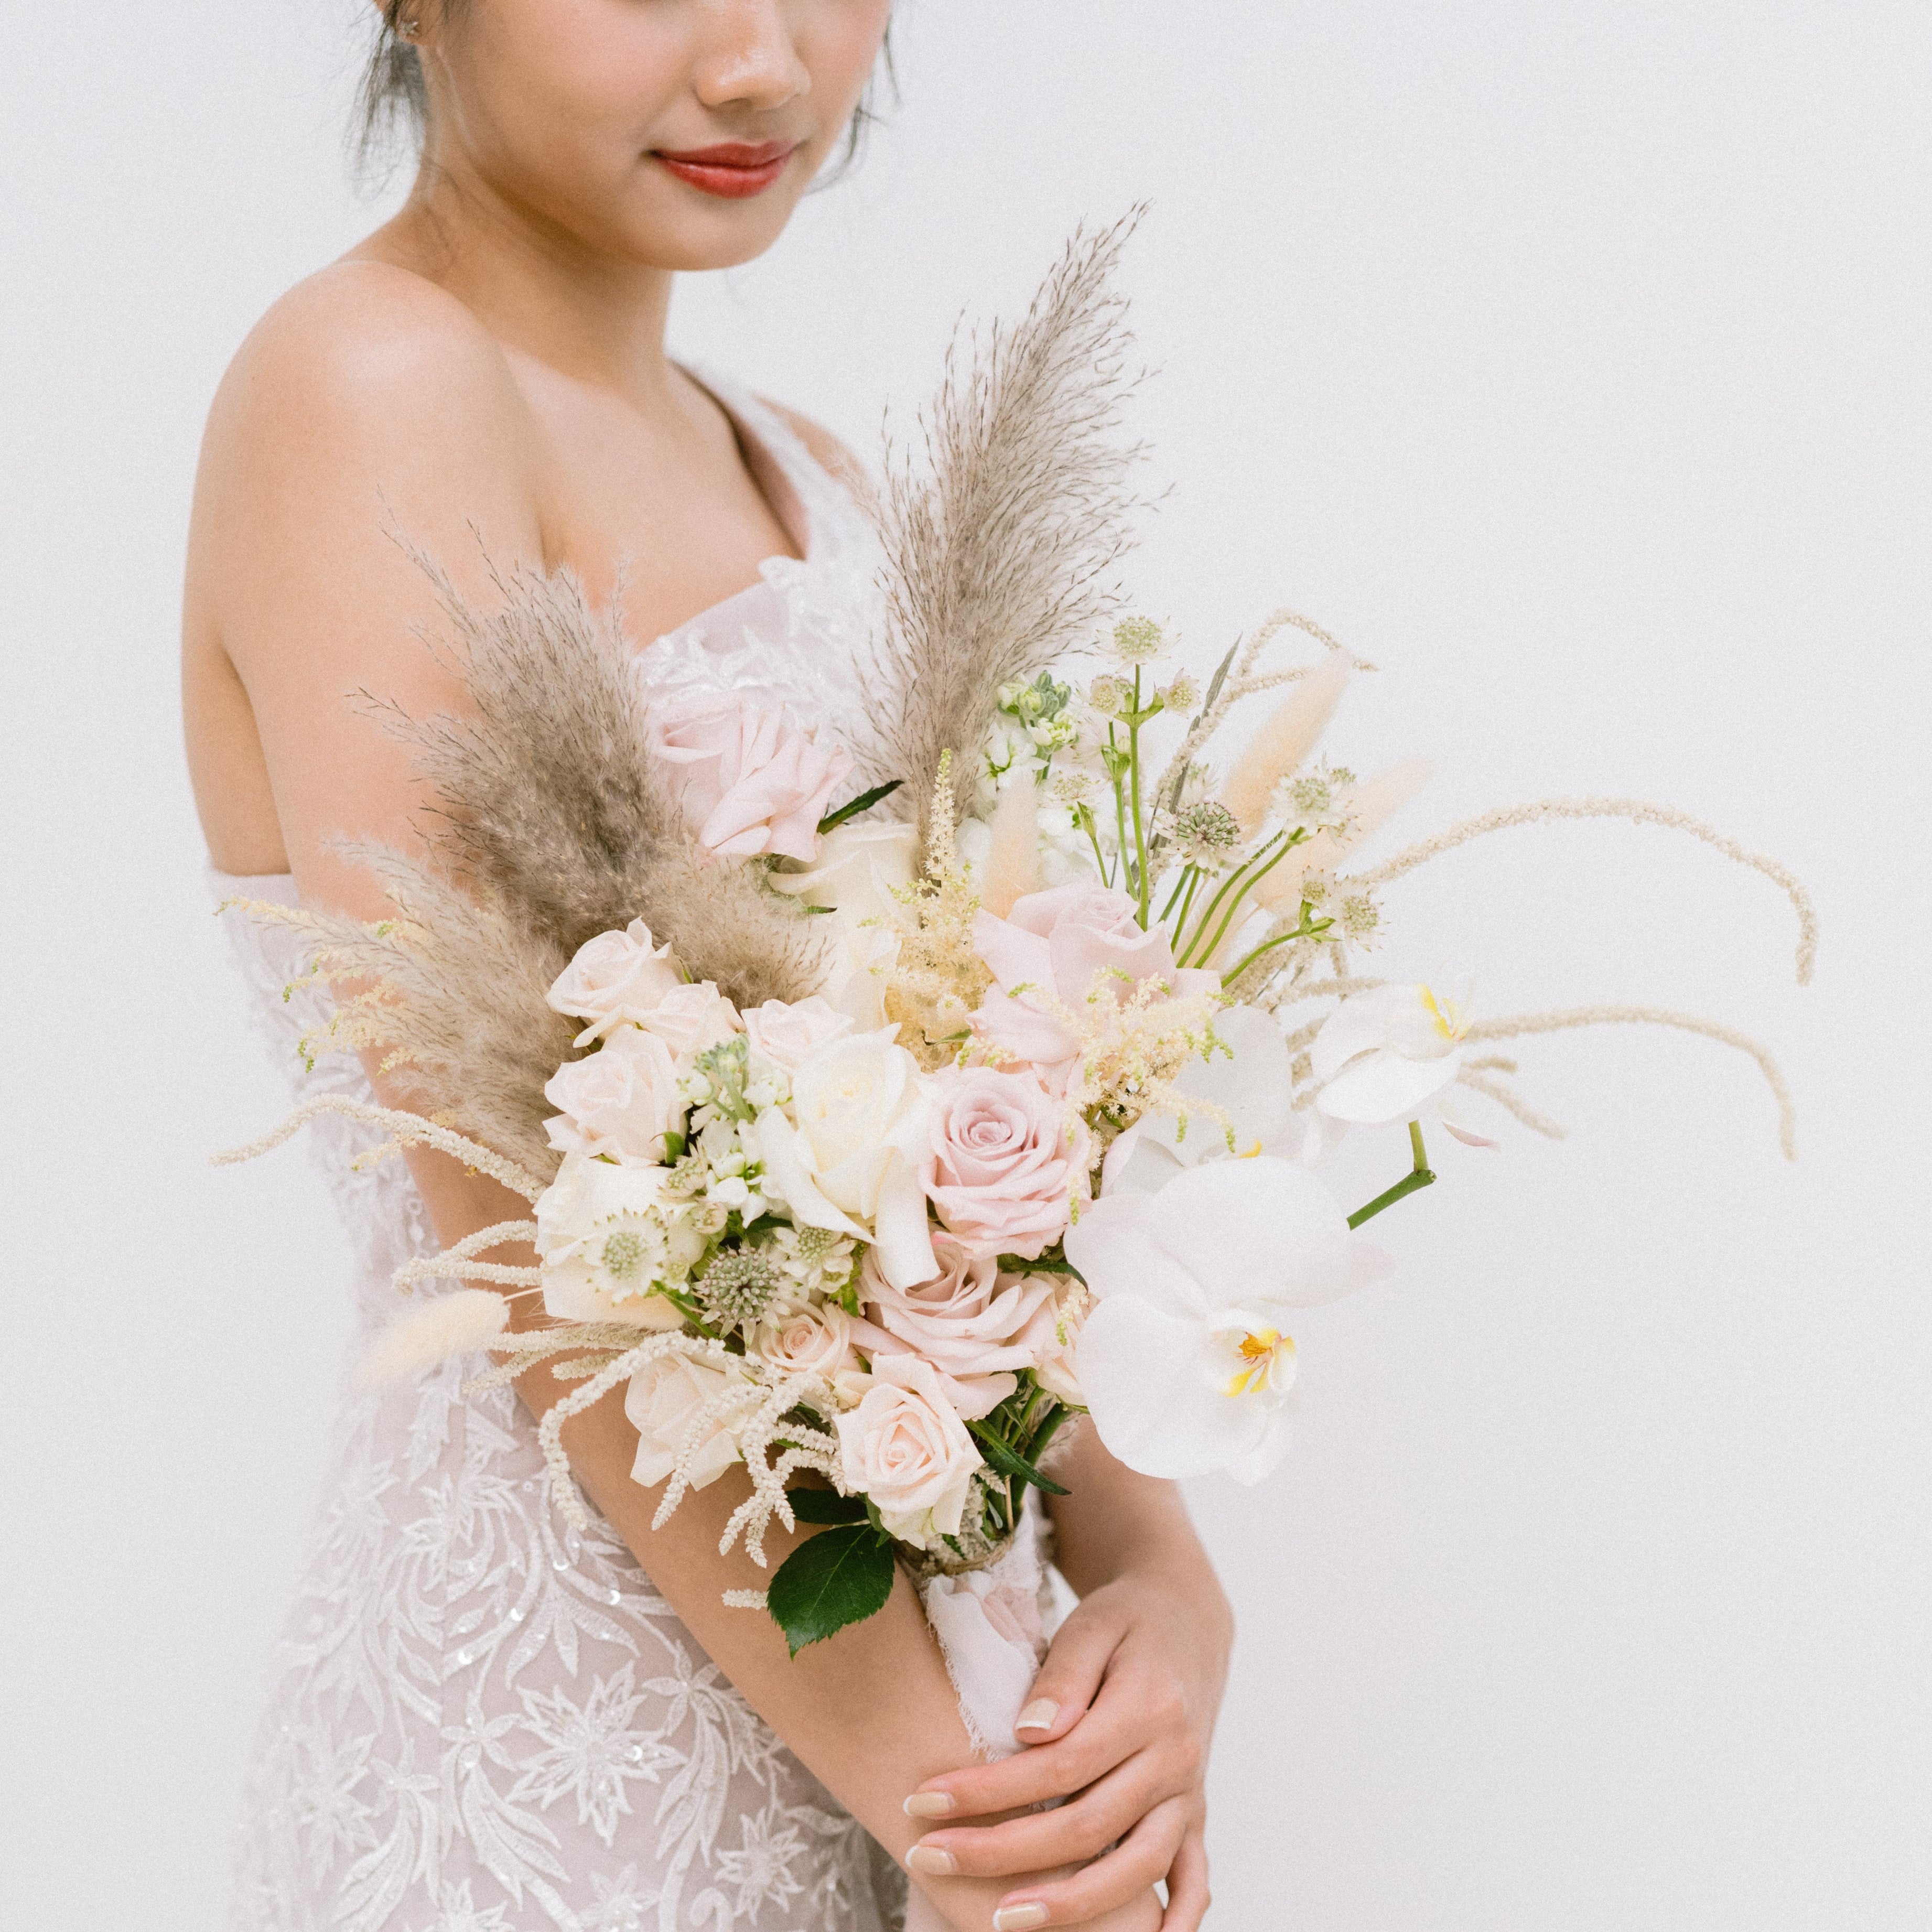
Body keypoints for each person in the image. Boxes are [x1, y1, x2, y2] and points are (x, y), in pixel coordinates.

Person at [182, 6, 1231, 1928]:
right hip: (573, 1768)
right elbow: (534, 1238)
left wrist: (1158, 1582)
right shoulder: (371, 384)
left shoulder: (809, 474)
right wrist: (984, 1836)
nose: (763, 64)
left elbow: (988, 1177)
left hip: (952, 1728)